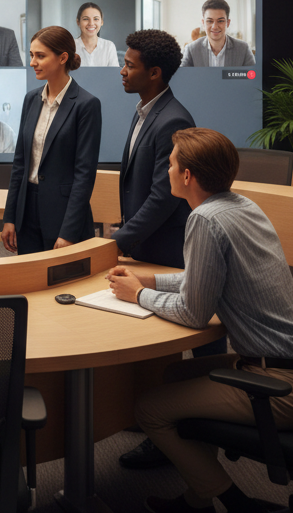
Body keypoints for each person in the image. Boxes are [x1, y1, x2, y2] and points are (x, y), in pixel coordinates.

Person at [107, 128, 293, 513]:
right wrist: (149, 280)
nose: (167, 170)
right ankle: (196, 497)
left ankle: (234, 502)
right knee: (174, 375)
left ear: (187, 176)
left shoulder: (203, 219)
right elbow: (205, 277)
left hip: (281, 386)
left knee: (149, 409)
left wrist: (137, 295)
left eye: (170, 164)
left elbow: (193, 313)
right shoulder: (242, 206)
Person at [115, 30, 217, 473]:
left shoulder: (172, 119)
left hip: (168, 248)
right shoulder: (146, 110)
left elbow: (163, 197)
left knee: (178, 343)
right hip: (150, 246)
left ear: (154, 73)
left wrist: (116, 240)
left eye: (130, 64)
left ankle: (177, 435)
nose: (122, 69)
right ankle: (164, 423)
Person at [1, 26, 101, 254]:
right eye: (31, 55)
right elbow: (19, 164)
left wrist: (68, 232)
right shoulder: (31, 99)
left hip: (64, 214)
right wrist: (10, 217)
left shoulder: (86, 104)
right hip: (27, 211)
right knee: (30, 282)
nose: (33, 62)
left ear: (63, 58)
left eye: (40, 56)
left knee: (66, 286)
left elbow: (84, 175)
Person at [181, 0, 256, 67]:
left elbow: (253, 77)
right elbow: (183, 78)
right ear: (203, 23)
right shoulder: (191, 49)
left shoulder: (243, 49)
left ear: (228, 23)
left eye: (220, 21)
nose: (215, 27)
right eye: (210, 21)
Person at [73, 0, 119, 67]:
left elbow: (114, 76)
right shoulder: (70, 47)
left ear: (102, 22)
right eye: (86, 19)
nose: (91, 23)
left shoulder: (109, 46)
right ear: (78, 22)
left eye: (96, 19)